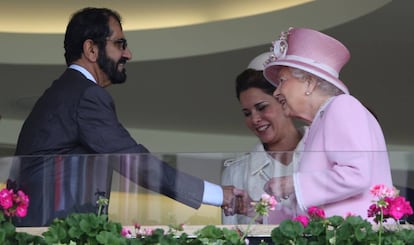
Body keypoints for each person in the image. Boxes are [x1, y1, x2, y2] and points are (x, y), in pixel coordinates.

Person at [12, 7, 247, 226]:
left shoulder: (64, 91)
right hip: (53, 233)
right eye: (120, 44)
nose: (128, 54)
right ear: (91, 50)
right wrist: (218, 194)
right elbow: (135, 162)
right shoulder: (86, 94)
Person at [262, 27, 393, 221]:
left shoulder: (342, 106)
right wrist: (258, 210)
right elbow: (315, 201)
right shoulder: (319, 123)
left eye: (282, 81)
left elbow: (356, 175)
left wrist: (292, 183)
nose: (276, 92)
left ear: (309, 82)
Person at [221, 52, 307, 224]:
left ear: (283, 101)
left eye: (262, 107)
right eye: (247, 113)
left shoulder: (324, 154)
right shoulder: (236, 172)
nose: (254, 119)